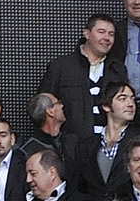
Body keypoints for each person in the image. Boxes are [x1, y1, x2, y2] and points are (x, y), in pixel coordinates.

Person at [41, 13, 121, 144]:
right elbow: (43, 107)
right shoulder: (61, 66)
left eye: (111, 34)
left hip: (109, 146)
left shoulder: (117, 69)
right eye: (101, 32)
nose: (107, 38)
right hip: (70, 147)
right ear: (87, 34)